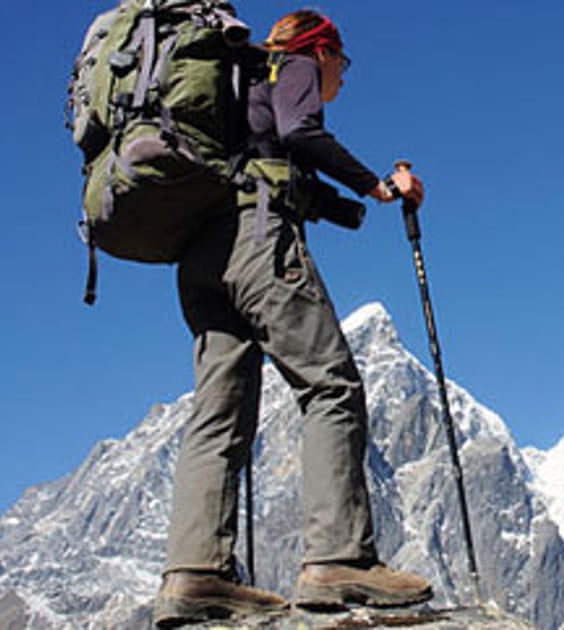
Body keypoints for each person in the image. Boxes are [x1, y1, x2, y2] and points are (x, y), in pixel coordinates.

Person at [153, 9, 431, 627]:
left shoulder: (231, 86)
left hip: (200, 258)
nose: (341, 77)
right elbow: (301, 131)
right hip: (258, 244)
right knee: (331, 386)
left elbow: (272, 157)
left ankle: (193, 574)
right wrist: (377, 188)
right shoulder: (294, 62)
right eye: (343, 64)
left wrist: (344, 208)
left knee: (217, 411)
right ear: (324, 49)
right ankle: (339, 559)